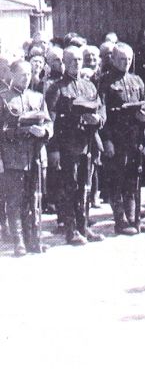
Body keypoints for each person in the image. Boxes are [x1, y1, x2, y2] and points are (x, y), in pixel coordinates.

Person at [46, 46, 106, 244]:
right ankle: (71, 229)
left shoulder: (89, 86)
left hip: (87, 143)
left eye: (79, 59)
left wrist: (97, 119)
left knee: (85, 187)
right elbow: (51, 121)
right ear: (64, 62)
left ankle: (84, 226)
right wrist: (53, 150)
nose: (77, 63)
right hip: (66, 145)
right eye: (72, 60)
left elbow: (101, 110)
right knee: (69, 187)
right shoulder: (57, 88)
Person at [97, 43, 145, 235]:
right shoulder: (105, 82)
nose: (126, 63)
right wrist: (107, 140)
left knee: (133, 179)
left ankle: (133, 218)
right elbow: (102, 113)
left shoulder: (137, 80)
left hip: (135, 138)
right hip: (116, 139)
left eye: (129, 59)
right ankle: (120, 221)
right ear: (113, 59)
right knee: (116, 180)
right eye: (122, 59)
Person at [1, 60, 52, 255]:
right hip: (12, 158)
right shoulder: (3, 98)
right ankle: (18, 240)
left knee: (34, 198)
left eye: (29, 73)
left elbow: (48, 122)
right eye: (22, 74)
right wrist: (22, 131)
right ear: (12, 75)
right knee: (14, 200)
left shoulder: (38, 98)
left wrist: (45, 132)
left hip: (35, 156)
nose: (27, 77)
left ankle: (33, 239)